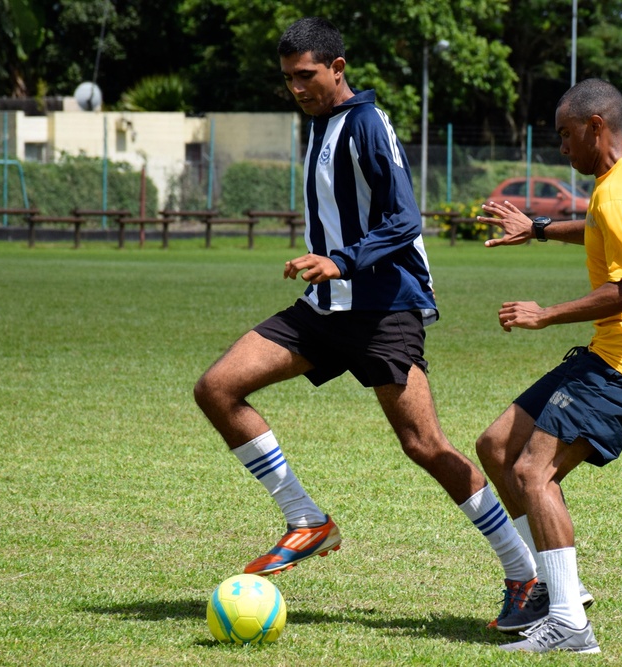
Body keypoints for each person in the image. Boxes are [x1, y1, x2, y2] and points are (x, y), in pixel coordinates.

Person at [194, 16, 537, 617]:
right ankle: (306, 520)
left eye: (306, 76)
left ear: (337, 68)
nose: (297, 88)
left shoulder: (365, 124)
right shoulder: (322, 125)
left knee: (425, 445)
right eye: (288, 79)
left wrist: (340, 260)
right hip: (325, 309)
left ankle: (524, 574)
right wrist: (329, 269)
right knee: (217, 388)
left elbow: (406, 221)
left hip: (384, 310)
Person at [473, 78, 622, 654]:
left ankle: (569, 624)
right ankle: (549, 588)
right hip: (609, 351)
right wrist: (537, 228)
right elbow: (599, 234)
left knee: (532, 474)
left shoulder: (618, 194)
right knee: (496, 446)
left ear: (595, 127)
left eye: (566, 137)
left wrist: (546, 315)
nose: (561, 150)